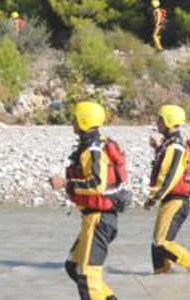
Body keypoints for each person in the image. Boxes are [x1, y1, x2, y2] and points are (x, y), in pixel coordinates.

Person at [50, 101, 129, 300]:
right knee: (73, 267)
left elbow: (97, 184)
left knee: (86, 275)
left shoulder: (94, 150)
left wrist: (66, 183)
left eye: (75, 118)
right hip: (94, 218)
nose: (72, 122)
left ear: (84, 121)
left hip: (100, 220)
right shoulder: (94, 145)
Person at [144, 104, 190, 274]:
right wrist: (157, 149)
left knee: (161, 242)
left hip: (176, 202)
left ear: (167, 121)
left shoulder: (175, 147)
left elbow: (169, 176)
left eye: (159, 119)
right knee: (158, 243)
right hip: (172, 201)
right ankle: (163, 277)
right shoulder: (170, 144)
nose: (157, 122)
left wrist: (152, 198)